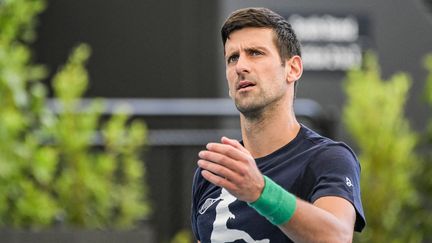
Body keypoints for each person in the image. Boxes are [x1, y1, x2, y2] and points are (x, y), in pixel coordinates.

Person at [191, 7, 365, 243]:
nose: (240, 66)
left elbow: (336, 237)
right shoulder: (210, 173)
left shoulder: (328, 158)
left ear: (292, 68)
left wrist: (260, 192)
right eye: (233, 58)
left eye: (255, 53)